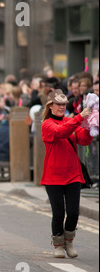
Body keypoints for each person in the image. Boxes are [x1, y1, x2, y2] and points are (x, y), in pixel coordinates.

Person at [40, 89, 93, 258]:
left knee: (74, 212)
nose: (62, 107)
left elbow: (84, 140)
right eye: (58, 104)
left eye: (64, 104)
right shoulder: (47, 124)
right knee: (58, 213)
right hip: (53, 175)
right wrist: (79, 118)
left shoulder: (71, 121)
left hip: (73, 174)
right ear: (51, 106)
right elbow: (60, 132)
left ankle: (69, 241)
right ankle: (58, 244)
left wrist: (90, 125)